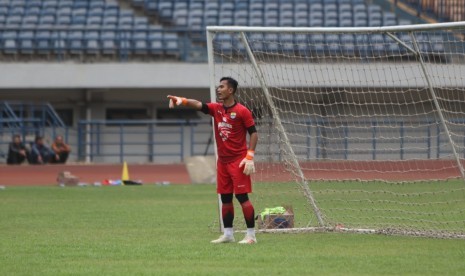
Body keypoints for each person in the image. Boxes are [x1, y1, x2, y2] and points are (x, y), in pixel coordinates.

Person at [168, 77, 259, 244]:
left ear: (230, 90)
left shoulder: (242, 111)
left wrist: (249, 156)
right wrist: (182, 100)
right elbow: (199, 105)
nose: (218, 89)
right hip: (222, 163)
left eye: (222, 86)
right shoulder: (216, 108)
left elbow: (254, 133)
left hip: (238, 161)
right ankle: (228, 234)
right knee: (225, 198)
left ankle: (251, 235)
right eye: (218, 86)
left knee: (242, 198)